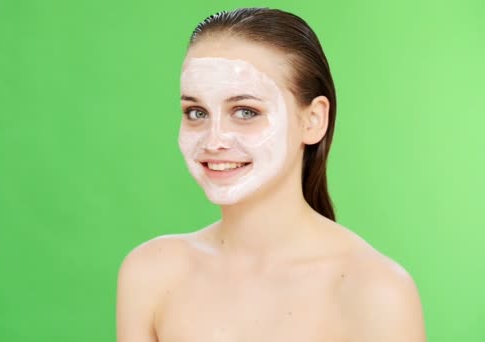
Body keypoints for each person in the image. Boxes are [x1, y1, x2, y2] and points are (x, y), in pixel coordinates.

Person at [116, 7, 425, 342]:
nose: (214, 140)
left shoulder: (375, 291)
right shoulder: (151, 273)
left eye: (246, 111)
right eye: (196, 112)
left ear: (313, 120)